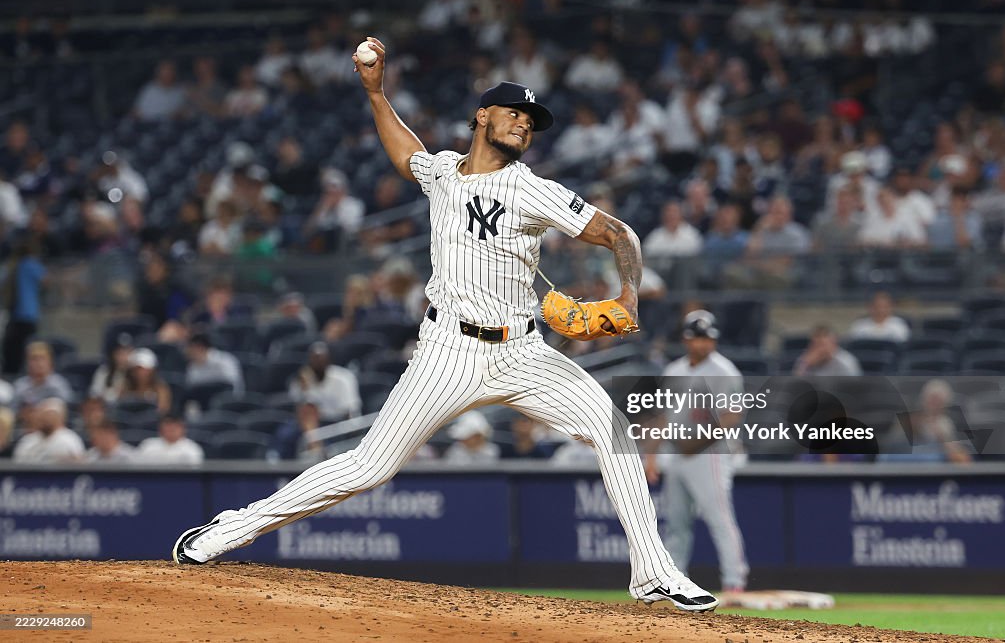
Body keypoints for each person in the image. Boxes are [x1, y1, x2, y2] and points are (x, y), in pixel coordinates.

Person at [172, 38, 719, 613]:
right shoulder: (443, 173)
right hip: (448, 351)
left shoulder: (531, 188)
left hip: (523, 352)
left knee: (613, 430)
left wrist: (628, 295)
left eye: (532, 121)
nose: (524, 124)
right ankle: (234, 527)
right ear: (482, 116)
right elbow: (407, 154)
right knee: (368, 467)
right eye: (515, 112)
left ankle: (653, 572)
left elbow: (619, 233)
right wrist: (376, 93)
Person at [648, 311, 749, 594]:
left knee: (720, 519)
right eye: (698, 338)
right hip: (676, 455)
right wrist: (652, 455)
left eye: (708, 338)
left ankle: (734, 581)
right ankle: (675, 582)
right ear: (686, 339)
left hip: (710, 455)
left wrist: (696, 442)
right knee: (676, 523)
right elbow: (662, 417)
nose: (703, 344)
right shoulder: (674, 371)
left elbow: (732, 416)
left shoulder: (724, 371)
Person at [2, 236, 47, 374]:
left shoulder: (11, 266)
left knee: (13, 351)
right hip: (26, 316)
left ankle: (13, 375)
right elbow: (45, 280)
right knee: (24, 350)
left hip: (16, 316)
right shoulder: (31, 265)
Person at [288, 342, 361, 421]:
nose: (318, 363)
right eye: (315, 359)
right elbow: (296, 406)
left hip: (340, 422)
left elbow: (351, 411)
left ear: (328, 360)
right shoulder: (303, 379)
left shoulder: (344, 378)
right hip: (317, 423)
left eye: (321, 359)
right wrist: (303, 388)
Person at [12, 398, 84, 463]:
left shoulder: (70, 440)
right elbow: (17, 465)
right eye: (41, 414)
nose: (45, 418)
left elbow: (78, 465)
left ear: (60, 417)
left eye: (49, 414)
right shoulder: (28, 440)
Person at [11, 342, 73, 414]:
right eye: (34, 359)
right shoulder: (20, 385)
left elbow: (66, 409)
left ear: (50, 362)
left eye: (42, 359)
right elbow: (12, 410)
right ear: (27, 363)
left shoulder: (58, 384)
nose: (39, 363)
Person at [184, 331, 244, 395]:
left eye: (190, 347)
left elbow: (233, 386)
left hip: (226, 398)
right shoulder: (192, 367)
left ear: (199, 347)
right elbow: (191, 389)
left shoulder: (224, 360)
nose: (186, 351)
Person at [118, 348, 173, 416]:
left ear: (152, 370)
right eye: (136, 369)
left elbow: (163, 410)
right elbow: (119, 408)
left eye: (143, 369)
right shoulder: (125, 387)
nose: (139, 372)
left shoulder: (160, 388)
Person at [794, 325, 862, 377]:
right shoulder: (805, 360)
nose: (819, 349)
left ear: (834, 342)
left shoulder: (846, 361)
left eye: (822, 344)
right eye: (815, 344)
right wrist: (805, 366)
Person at [136, 415, 205, 465]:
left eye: (175, 427)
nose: (171, 429)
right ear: (160, 428)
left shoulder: (192, 448)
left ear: (183, 429)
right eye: (167, 425)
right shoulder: (148, 445)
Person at [90, 333, 133, 403]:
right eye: (120, 353)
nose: (123, 358)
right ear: (113, 354)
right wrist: (115, 394)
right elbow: (95, 395)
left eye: (127, 353)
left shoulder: (137, 371)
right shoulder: (104, 372)